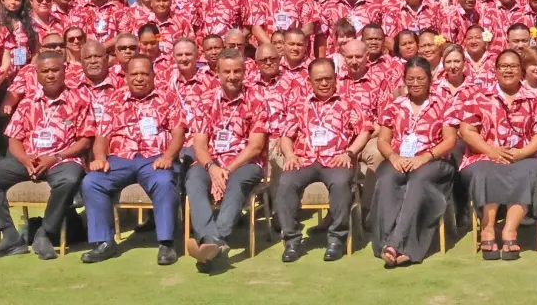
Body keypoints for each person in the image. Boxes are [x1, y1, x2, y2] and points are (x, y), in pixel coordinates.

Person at [0, 52, 88, 260]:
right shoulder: (28, 102)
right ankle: (10, 238)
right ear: (37, 74)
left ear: (65, 71)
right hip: (29, 159)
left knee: (69, 179)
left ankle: (45, 233)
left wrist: (55, 157)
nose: (51, 75)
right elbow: (14, 139)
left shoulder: (79, 99)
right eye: (45, 71)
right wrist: (26, 160)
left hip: (62, 159)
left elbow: (84, 140)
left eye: (55, 70)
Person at [82, 56, 187, 265]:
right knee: (91, 182)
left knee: (164, 182)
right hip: (121, 159)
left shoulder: (167, 97)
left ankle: (166, 243)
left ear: (153, 76)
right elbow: (102, 136)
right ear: (126, 76)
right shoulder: (114, 99)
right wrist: (100, 157)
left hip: (154, 158)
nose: (139, 78)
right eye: (134, 74)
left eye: (144, 74)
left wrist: (168, 156)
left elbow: (178, 133)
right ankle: (104, 242)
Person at [459, 50, 537, 261]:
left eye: (513, 66)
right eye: (503, 66)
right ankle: (488, 228)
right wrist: (491, 151)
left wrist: (522, 152)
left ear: (521, 71)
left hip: (525, 156)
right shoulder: (479, 97)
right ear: (495, 70)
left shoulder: (534, 99)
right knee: (485, 172)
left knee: (529, 171)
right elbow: (466, 130)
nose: (508, 70)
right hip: (484, 156)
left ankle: (510, 230)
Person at [273, 58, 370, 263]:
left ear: (336, 79)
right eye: (319, 80)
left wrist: (350, 153)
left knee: (341, 182)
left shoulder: (348, 103)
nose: (324, 83)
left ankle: (336, 239)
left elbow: (364, 131)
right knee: (286, 183)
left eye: (328, 78)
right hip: (304, 159)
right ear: (310, 82)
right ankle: (291, 240)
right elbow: (285, 135)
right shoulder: (300, 105)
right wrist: (290, 155)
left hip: (336, 159)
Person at [184, 50, 270, 272]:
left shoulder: (257, 99)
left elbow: (256, 146)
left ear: (244, 72)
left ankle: (213, 239)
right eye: (227, 71)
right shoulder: (205, 101)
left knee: (237, 183)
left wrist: (226, 170)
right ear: (218, 73)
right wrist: (213, 168)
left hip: (245, 163)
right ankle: (213, 241)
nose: (232, 76)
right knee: (194, 178)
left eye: (237, 71)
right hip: (212, 162)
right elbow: (199, 146)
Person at [371, 58, 458, 267]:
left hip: (433, 160)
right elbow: (382, 140)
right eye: (411, 79)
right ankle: (386, 240)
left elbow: (450, 140)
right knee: (386, 180)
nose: (416, 83)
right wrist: (394, 157)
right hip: (400, 159)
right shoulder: (394, 106)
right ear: (404, 80)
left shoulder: (444, 103)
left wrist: (425, 157)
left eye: (420, 78)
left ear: (430, 79)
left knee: (419, 181)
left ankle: (397, 245)